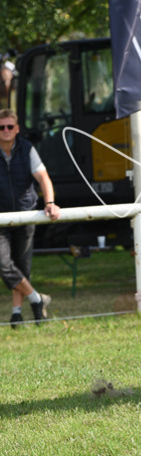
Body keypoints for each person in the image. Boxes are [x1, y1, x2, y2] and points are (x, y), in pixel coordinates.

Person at [0, 108, 60, 325]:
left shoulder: (27, 149)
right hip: (1, 218)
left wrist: (50, 203)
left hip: (26, 214)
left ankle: (16, 313)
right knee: (3, 264)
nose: (5, 131)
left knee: (21, 266)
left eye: (9, 127)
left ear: (16, 129)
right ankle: (37, 299)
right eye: (1, 127)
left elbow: (43, 177)